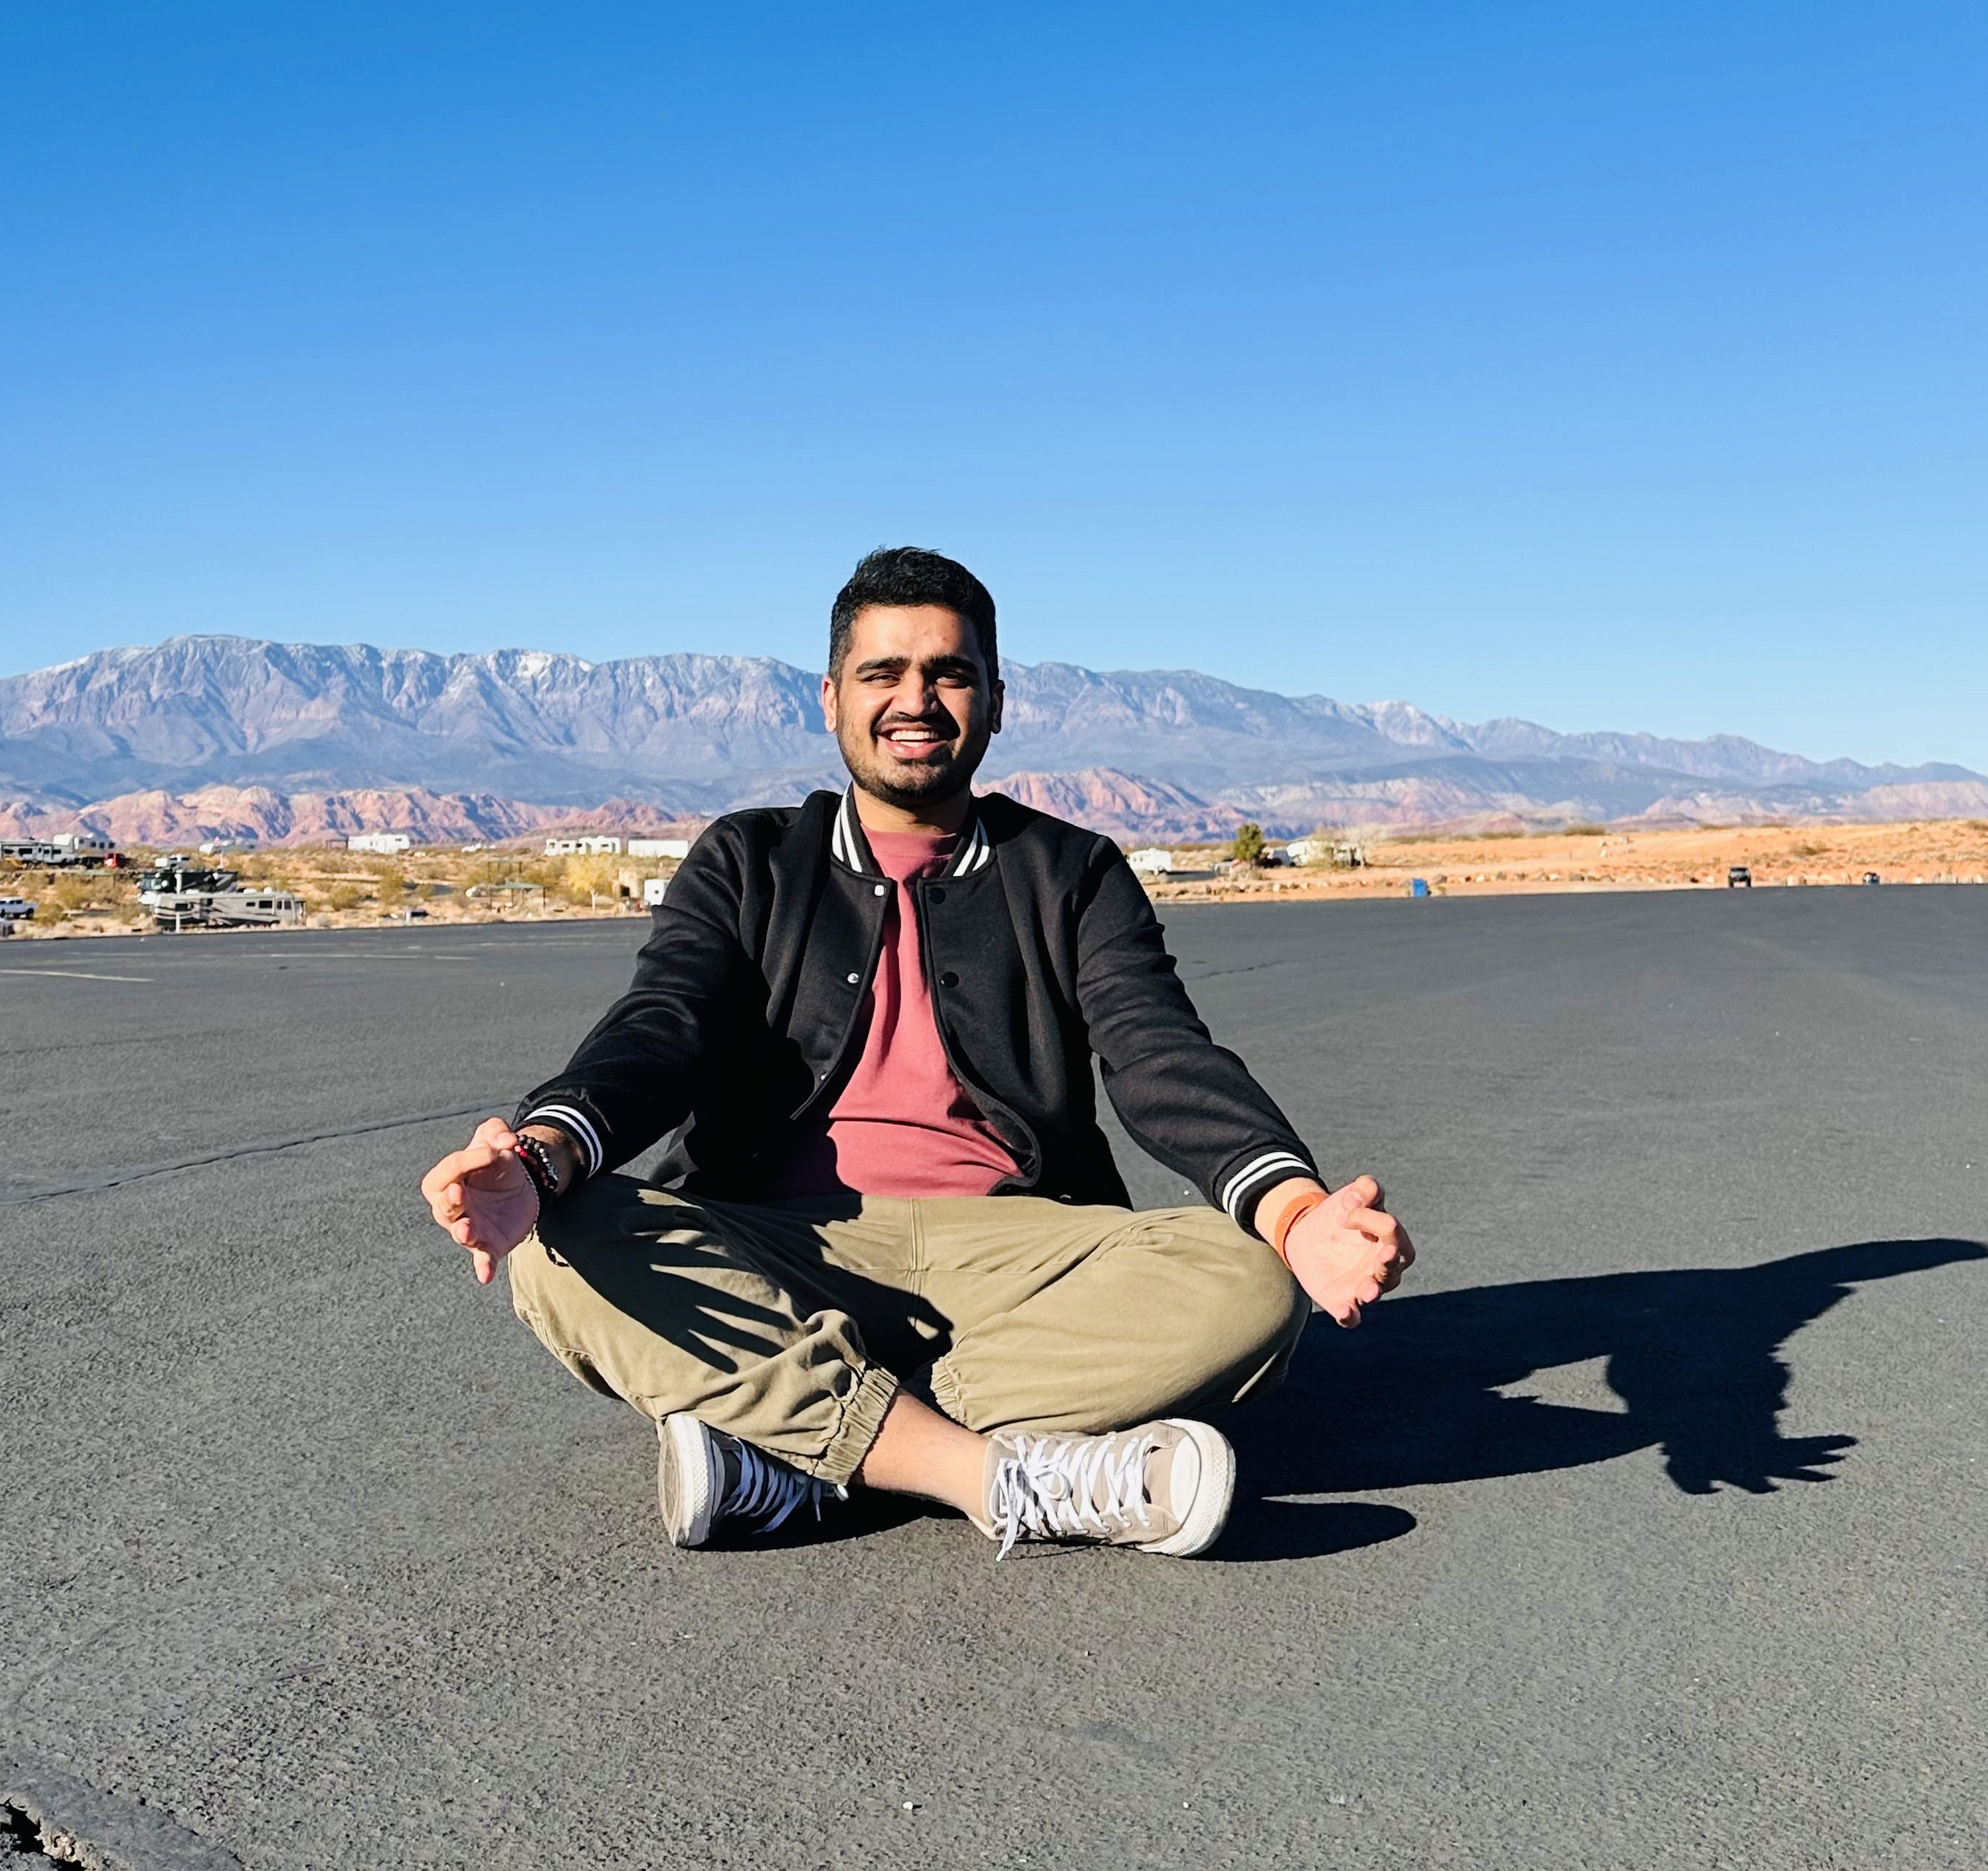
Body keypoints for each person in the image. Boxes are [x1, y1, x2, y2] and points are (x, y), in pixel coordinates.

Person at [422, 546, 1412, 1559]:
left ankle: (793, 1449)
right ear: (830, 698)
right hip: (785, 1244)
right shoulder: (750, 861)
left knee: (1244, 1281)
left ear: (993, 698)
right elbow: (662, 1023)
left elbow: (1157, 1050)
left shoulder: (1071, 872)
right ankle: (1000, 1474)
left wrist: (1294, 1214)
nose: (918, 700)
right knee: (558, 1239)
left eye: (949, 672)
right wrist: (544, 1153)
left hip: (1018, 1251)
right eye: (883, 673)